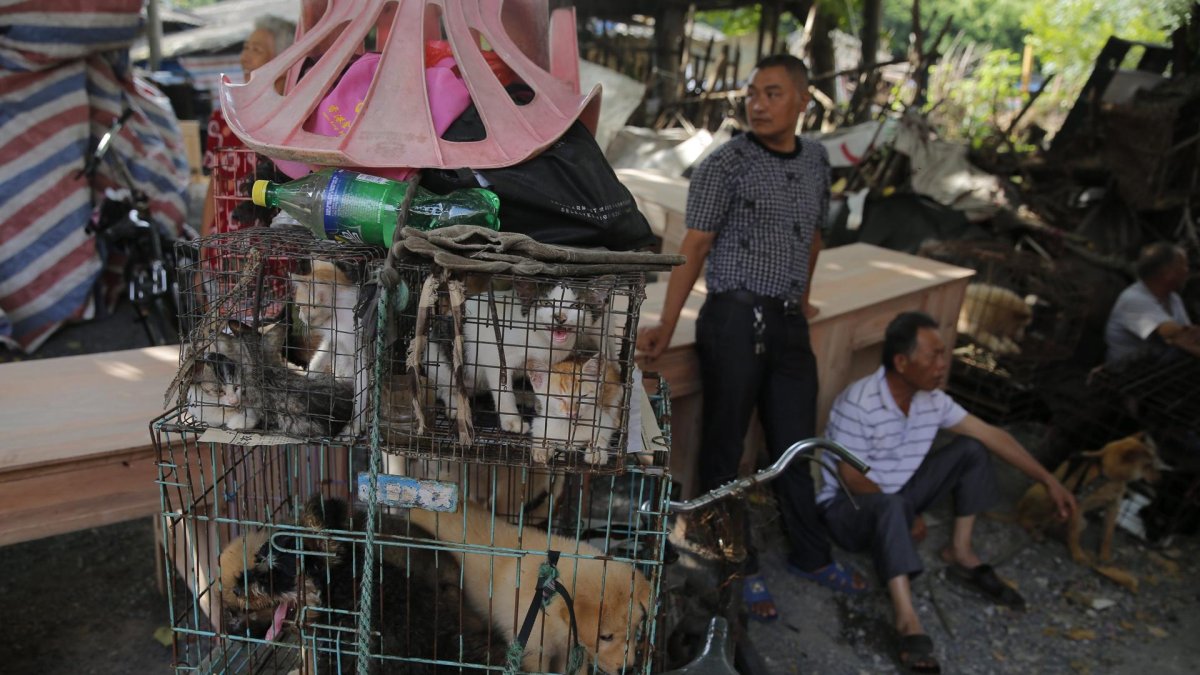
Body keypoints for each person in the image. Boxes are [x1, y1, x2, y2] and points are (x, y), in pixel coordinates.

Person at [637, 54, 866, 622]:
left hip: (787, 320)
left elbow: (812, 236)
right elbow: (693, 246)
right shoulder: (727, 164)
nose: (758, 105)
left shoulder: (816, 159)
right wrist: (666, 322)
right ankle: (738, 562)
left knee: (796, 441)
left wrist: (803, 295)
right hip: (736, 318)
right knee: (726, 444)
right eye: (752, 94)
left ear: (803, 101)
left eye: (772, 93)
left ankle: (810, 555)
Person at [817, 311, 1077, 673]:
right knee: (892, 505)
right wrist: (906, 514)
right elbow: (851, 478)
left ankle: (960, 550)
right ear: (902, 362)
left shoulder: (932, 400)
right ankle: (907, 619)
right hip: (849, 509)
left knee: (971, 449)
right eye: (934, 355)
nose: (943, 364)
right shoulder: (859, 402)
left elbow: (991, 434)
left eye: (943, 354)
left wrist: (1048, 480)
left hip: (898, 496)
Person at [200, 15, 295, 237]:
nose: (245, 58)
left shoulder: (294, 120)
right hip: (224, 244)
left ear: (281, 62)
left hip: (273, 247)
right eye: (246, 48)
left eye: (256, 50)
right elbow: (214, 185)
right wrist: (204, 245)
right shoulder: (223, 118)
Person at [1104, 242, 1199, 364]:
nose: (1187, 271)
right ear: (1167, 273)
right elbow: (1178, 336)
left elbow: (1191, 335)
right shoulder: (1133, 300)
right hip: (1131, 376)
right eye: (1183, 266)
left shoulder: (1173, 298)